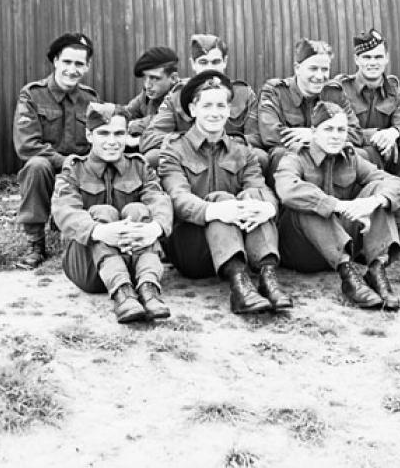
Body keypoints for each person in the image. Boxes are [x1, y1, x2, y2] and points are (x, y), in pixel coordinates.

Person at [158, 70, 291, 314]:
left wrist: (266, 208)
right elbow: (177, 198)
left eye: (221, 105)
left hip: (237, 248)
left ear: (229, 110)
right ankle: (240, 286)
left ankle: (267, 276)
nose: (215, 112)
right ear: (192, 109)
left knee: (255, 199)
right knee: (222, 199)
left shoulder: (242, 150)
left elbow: (259, 186)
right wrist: (217, 209)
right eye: (207, 105)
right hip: (192, 248)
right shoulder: (174, 151)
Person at [274, 101, 400, 310]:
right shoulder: (295, 157)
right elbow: (287, 190)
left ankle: (376, 269)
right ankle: (349, 277)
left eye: (341, 130)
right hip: (302, 250)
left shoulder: (351, 158)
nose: (335, 135)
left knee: (377, 192)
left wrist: (372, 202)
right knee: (311, 202)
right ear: (314, 132)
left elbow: (394, 183)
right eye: (328, 129)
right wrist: (337, 205)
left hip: (341, 244)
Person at [51, 103, 173, 323]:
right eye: (103, 133)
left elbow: (159, 200)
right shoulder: (74, 169)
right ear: (89, 135)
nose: (112, 141)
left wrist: (154, 228)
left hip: (134, 260)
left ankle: (148, 289)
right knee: (102, 212)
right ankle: (122, 292)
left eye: (119, 133)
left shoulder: (139, 166)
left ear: (127, 136)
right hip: (89, 268)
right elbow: (64, 210)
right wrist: (101, 231)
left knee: (137, 209)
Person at [335, 28, 400, 259]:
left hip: (389, 158)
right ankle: (363, 225)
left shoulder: (396, 91)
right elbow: (340, 131)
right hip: (360, 160)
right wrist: (377, 135)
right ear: (356, 59)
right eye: (366, 57)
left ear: (386, 58)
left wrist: (394, 133)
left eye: (377, 56)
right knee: (362, 153)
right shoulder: (340, 89)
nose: (372, 62)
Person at [13, 32, 99, 268]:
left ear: (87, 66)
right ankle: (35, 243)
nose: (72, 69)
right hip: (49, 169)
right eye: (67, 62)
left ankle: (90, 235)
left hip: (79, 171)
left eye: (79, 64)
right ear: (56, 62)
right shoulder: (32, 94)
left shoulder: (90, 99)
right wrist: (64, 161)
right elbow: (27, 146)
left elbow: (97, 140)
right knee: (36, 166)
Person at [139, 34, 262, 168]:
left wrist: (220, 142)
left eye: (215, 62)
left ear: (225, 62)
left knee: (260, 157)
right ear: (193, 64)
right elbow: (150, 138)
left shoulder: (243, 94)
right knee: (153, 157)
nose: (210, 68)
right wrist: (192, 141)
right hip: (188, 157)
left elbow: (256, 137)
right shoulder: (177, 95)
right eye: (203, 62)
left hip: (231, 156)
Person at [257, 39, 363, 178]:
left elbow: (355, 133)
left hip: (328, 160)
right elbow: (271, 134)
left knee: (361, 154)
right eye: (313, 68)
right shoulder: (275, 91)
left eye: (324, 69)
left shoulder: (334, 93)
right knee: (280, 154)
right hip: (290, 163)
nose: (319, 76)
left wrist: (315, 136)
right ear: (297, 68)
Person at [122, 47, 180, 147]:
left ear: (173, 78)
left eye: (155, 78)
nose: (147, 85)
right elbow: (125, 113)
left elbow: (166, 120)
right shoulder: (148, 95)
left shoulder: (182, 95)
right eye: (145, 78)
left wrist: (135, 125)